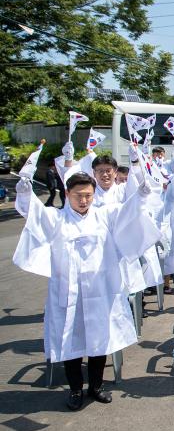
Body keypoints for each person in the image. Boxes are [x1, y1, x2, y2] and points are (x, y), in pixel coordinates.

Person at [13, 169, 159, 410]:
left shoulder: (104, 215)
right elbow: (33, 214)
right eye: (78, 196)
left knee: (99, 342)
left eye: (88, 196)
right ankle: (75, 389)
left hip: (100, 291)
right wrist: (25, 190)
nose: (84, 201)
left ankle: (96, 386)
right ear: (67, 194)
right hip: (68, 294)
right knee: (71, 343)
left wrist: (141, 194)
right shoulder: (56, 218)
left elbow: (128, 212)